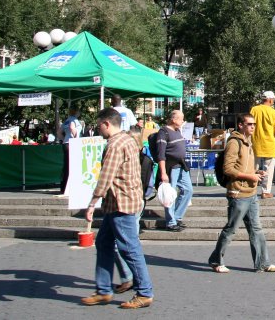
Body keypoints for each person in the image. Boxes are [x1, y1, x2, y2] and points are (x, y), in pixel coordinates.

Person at [80, 108, 153, 309]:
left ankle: (144, 292)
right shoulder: (129, 139)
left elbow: (106, 175)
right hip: (121, 201)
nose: (98, 129)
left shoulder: (115, 144)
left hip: (122, 203)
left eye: (99, 125)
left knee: (129, 248)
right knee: (104, 243)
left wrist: (92, 202)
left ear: (106, 124)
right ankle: (103, 290)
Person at [208, 114, 275, 274]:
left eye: (254, 124)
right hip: (238, 192)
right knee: (231, 229)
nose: (253, 127)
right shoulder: (234, 143)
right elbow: (228, 168)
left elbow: (243, 166)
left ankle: (263, 262)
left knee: (256, 228)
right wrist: (250, 176)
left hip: (251, 192)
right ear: (240, 125)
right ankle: (215, 260)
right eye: (249, 124)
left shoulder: (248, 142)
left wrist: (255, 172)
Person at [113, 125, 151, 294]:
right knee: (127, 243)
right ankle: (132, 279)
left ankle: (134, 280)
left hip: (129, 202)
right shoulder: (141, 158)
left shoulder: (136, 159)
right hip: (134, 201)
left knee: (125, 244)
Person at [156, 110, 192, 231]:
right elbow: (161, 154)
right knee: (170, 195)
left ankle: (177, 216)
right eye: (181, 119)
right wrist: (163, 173)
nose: (182, 121)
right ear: (173, 119)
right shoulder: (163, 132)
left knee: (188, 190)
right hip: (171, 167)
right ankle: (171, 222)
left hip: (181, 165)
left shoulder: (177, 131)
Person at [250, 91, 275, 199]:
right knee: (268, 169)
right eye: (273, 100)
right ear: (270, 100)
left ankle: (251, 189)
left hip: (255, 142)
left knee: (252, 168)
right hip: (269, 143)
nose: (273, 101)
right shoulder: (274, 113)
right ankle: (266, 191)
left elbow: (249, 123)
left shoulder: (254, 110)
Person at [59, 105, 83, 194]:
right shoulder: (74, 120)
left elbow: (59, 132)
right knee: (72, 166)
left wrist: (64, 138)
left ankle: (64, 187)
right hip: (72, 144)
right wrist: (76, 138)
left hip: (65, 143)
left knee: (66, 166)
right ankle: (70, 188)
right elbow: (72, 128)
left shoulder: (66, 120)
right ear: (76, 112)